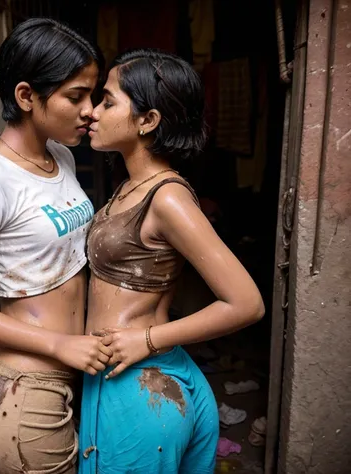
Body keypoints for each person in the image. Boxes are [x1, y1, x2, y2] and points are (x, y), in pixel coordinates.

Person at [0, 18, 113, 474]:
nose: (90, 110)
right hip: (23, 386)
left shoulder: (62, 156)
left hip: (53, 370)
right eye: (76, 96)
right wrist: (58, 344)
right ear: (27, 96)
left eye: (92, 95)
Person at [79, 49, 265, 474]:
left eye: (108, 101)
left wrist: (143, 340)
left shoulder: (167, 197)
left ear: (148, 120)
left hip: (141, 388)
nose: (92, 112)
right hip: (120, 379)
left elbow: (246, 303)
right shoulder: (132, 185)